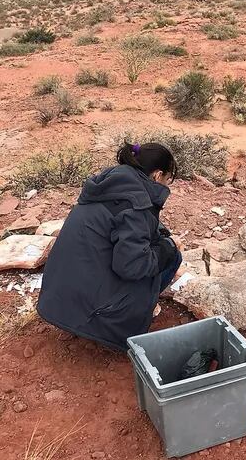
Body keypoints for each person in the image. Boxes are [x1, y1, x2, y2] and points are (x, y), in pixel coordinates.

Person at [37, 142, 182, 351]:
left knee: (156, 248)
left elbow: (132, 224)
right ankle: (129, 315)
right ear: (157, 176)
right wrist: (169, 246)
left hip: (58, 301)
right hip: (94, 313)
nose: (166, 186)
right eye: (167, 180)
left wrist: (161, 235)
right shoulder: (136, 204)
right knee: (170, 257)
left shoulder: (109, 187)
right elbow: (132, 266)